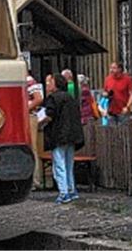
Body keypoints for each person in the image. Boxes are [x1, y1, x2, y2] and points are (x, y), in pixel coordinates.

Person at [42, 73, 85, 204]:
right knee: (68, 164)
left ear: (56, 85)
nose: (48, 85)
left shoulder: (53, 99)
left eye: (51, 82)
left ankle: (63, 193)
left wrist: (40, 122)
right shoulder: (70, 98)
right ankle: (71, 190)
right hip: (71, 135)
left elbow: (50, 115)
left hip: (59, 135)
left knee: (59, 164)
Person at [26, 76, 46, 189]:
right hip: (24, 115)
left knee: (32, 146)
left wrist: (25, 108)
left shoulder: (29, 80)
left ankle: (35, 180)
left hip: (29, 115)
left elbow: (38, 98)